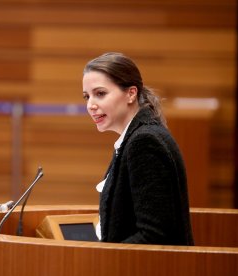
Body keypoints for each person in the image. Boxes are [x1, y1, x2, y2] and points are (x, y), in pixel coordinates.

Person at [82, 52, 194, 245]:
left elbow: (155, 235)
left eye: (100, 94)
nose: (91, 105)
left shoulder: (144, 142)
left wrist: (101, 260)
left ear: (131, 93)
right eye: (87, 96)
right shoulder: (136, 137)